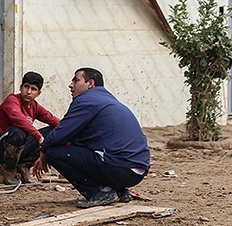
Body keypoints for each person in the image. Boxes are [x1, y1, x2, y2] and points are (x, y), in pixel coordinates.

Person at [33, 67, 151, 208]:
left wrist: (44, 151)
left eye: (76, 80)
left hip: (120, 168)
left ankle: (98, 192)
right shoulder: (106, 99)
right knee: (84, 151)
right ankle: (119, 190)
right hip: (136, 171)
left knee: (55, 153)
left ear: (91, 84)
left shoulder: (86, 100)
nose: (71, 85)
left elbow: (59, 134)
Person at [0, 71, 60, 185]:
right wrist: (39, 137)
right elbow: (19, 119)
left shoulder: (35, 107)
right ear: (21, 87)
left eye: (33, 89)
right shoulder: (12, 100)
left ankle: (24, 166)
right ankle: (8, 169)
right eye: (26, 87)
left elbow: (55, 121)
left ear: (38, 93)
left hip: (18, 148)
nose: (29, 92)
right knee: (19, 131)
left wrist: (71, 136)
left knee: (52, 132)